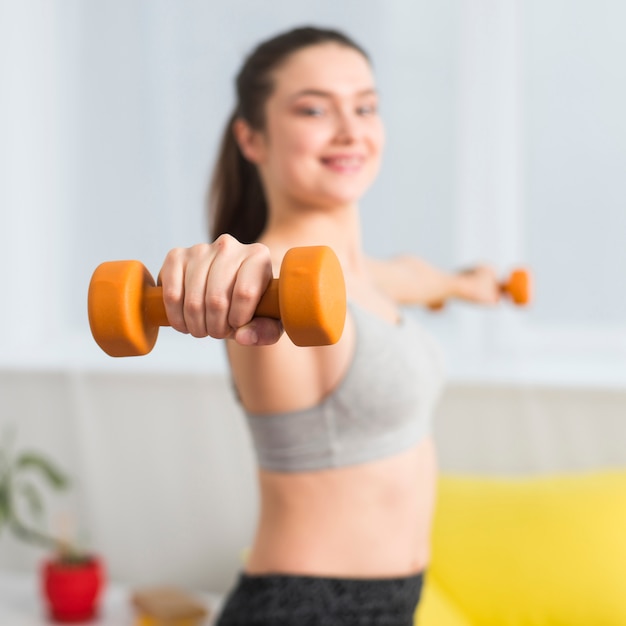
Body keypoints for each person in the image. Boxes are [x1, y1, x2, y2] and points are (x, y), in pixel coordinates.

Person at [158, 26, 500, 626]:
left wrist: (469, 285)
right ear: (252, 137)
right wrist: (219, 267)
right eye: (314, 108)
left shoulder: (366, 277)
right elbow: (255, 275)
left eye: (365, 106)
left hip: (393, 602)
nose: (350, 129)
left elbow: (414, 278)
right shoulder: (276, 289)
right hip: (306, 610)